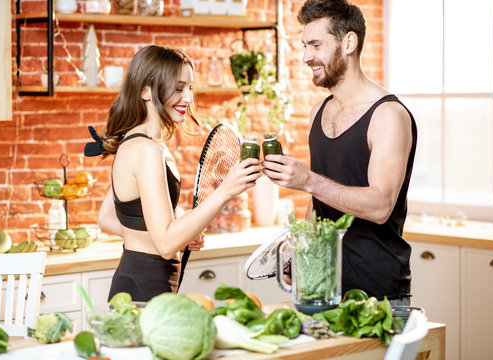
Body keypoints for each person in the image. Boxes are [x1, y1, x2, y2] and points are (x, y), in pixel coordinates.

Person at [262, 0, 417, 306]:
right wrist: (301, 249)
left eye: (316, 45)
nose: (306, 56)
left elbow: (380, 206)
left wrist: (308, 180)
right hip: (322, 284)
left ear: (349, 42)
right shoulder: (318, 111)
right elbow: (320, 198)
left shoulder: (388, 115)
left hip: (377, 293)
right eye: (305, 45)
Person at [84, 45, 261, 302]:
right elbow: (166, 244)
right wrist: (226, 190)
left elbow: (106, 217)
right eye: (178, 88)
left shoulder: (139, 143)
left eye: (190, 87)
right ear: (145, 91)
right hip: (144, 290)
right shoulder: (147, 150)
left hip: (138, 283)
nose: (188, 98)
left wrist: (181, 234)